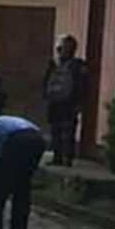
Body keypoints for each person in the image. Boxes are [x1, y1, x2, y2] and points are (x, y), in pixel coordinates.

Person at [43, 35, 87, 167]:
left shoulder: (76, 66)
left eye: (61, 48)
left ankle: (66, 158)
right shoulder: (56, 64)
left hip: (67, 102)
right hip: (59, 102)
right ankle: (60, 157)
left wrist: (79, 103)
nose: (60, 51)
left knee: (66, 131)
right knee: (58, 130)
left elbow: (82, 86)